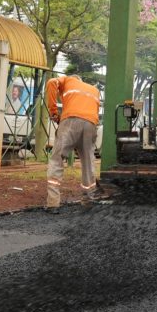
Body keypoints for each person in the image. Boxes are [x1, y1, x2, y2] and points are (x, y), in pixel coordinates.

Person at [45, 74, 101, 213]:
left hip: (70, 120)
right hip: (91, 124)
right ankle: (88, 200)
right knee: (88, 161)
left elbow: (52, 82)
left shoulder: (67, 80)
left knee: (57, 160)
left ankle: (53, 204)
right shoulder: (94, 90)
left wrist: (53, 113)